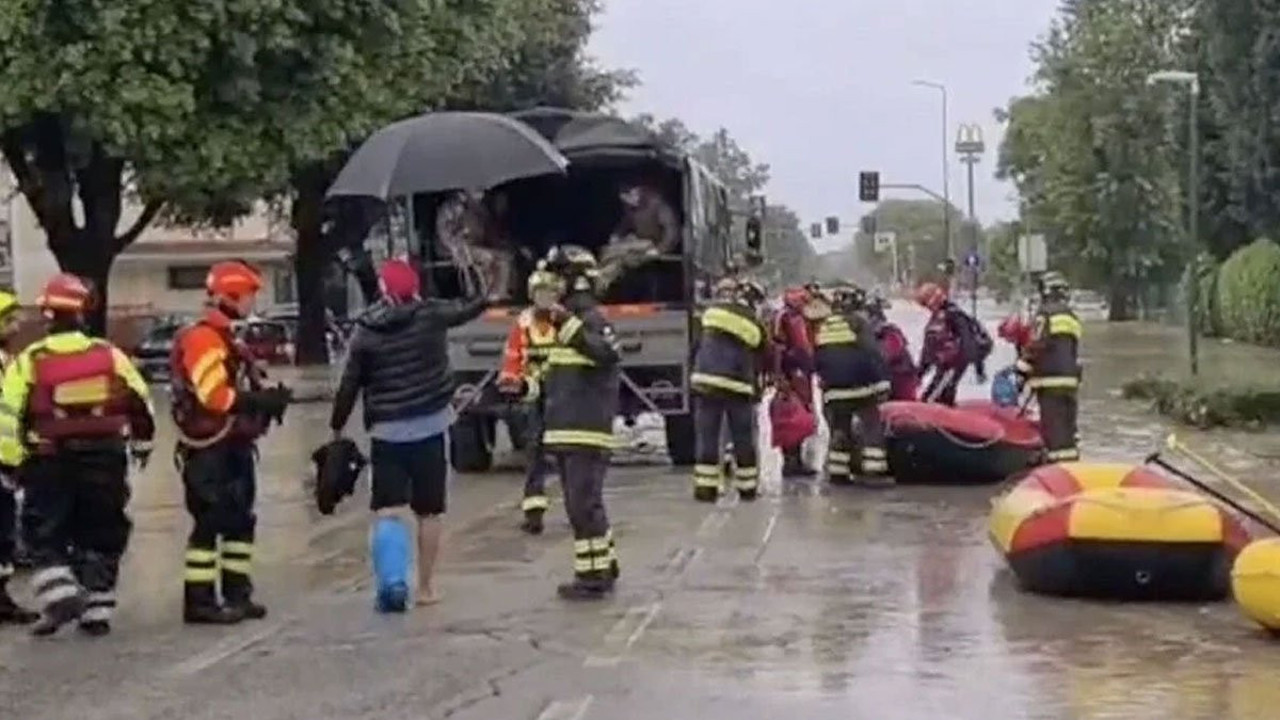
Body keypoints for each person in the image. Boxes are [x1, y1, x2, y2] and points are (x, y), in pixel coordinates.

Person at [0, 274, 154, 636]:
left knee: (44, 531)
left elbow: (8, 416)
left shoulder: (30, 361)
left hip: (50, 459)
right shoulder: (108, 355)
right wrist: (142, 445)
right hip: (106, 457)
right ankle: (97, 610)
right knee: (103, 530)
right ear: (83, 313)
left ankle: (60, 595)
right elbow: (140, 402)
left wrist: (13, 461)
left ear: (48, 315)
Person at [330, 258, 488, 609]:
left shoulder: (367, 329)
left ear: (383, 291)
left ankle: (393, 581)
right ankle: (427, 588)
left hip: (386, 433)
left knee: (387, 510)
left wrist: (337, 425)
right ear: (415, 287)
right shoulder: (431, 315)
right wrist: (479, 282)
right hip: (431, 428)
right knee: (429, 513)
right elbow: (471, 307)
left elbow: (350, 383)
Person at [171, 260, 291, 624]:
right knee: (210, 522)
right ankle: (200, 601)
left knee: (240, 521)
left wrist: (266, 399)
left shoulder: (227, 337)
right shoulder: (204, 338)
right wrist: (256, 402)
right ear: (231, 296)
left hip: (232, 443)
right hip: (209, 446)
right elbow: (213, 396)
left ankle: (238, 593)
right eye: (250, 296)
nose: (253, 303)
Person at [538, 245, 622, 600]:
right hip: (566, 430)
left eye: (558, 280)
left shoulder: (591, 321)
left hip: (585, 432)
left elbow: (606, 354)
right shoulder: (569, 323)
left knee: (582, 506)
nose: (550, 287)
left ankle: (592, 578)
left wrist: (567, 325)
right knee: (583, 504)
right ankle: (605, 564)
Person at [690, 277, 770, 503]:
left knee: (707, 437)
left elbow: (696, 344)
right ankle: (747, 489)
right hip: (737, 385)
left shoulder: (709, 313)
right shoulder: (751, 319)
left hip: (705, 382)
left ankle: (705, 489)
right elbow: (763, 346)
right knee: (743, 438)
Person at [498, 267, 564, 535]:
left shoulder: (564, 320)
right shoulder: (523, 323)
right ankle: (534, 512)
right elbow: (514, 356)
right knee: (534, 449)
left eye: (549, 293)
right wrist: (511, 380)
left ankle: (577, 508)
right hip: (535, 393)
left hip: (563, 393)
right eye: (539, 294)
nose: (544, 299)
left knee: (568, 454)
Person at [814, 284, 892, 487]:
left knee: (840, 429)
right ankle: (875, 473)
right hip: (860, 388)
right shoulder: (859, 323)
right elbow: (872, 353)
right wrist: (883, 382)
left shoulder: (825, 325)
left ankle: (838, 473)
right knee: (871, 425)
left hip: (833, 391)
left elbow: (818, 357)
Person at [1016, 271, 1082, 462]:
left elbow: (1037, 345)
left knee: (1053, 432)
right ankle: (1073, 470)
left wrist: (1020, 371)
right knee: (1068, 432)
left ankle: (1054, 472)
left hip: (1049, 382)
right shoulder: (1072, 317)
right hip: (1070, 383)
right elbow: (1071, 351)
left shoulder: (1045, 314)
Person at [0, 291, 37, 625]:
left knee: (5, 532)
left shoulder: (8, 362)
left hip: (6, 460)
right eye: (10, 320)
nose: (17, 326)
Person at [915, 282, 991, 406]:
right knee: (934, 396)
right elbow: (928, 350)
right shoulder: (936, 320)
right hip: (945, 365)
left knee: (934, 398)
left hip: (953, 364)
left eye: (925, 303)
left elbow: (969, 341)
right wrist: (919, 374)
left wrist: (979, 369)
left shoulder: (954, 315)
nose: (926, 307)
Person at [598, 183, 680, 290]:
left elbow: (672, 231)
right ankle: (602, 279)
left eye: (628, 199)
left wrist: (660, 250)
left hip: (652, 244)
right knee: (610, 252)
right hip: (636, 242)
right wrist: (617, 235)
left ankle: (602, 283)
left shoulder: (658, 204)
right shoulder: (631, 207)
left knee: (622, 255)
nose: (627, 204)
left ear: (636, 192)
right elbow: (625, 223)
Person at [772, 285, 817, 475]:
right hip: (791, 373)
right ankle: (789, 461)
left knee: (803, 415)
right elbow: (777, 348)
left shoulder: (802, 319)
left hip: (803, 373)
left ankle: (796, 459)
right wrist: (779, 376)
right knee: (789, 417)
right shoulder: (784, 318)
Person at [866, 292, 918, 401]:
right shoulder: (873, 335)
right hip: (887, 382)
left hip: (900, 380)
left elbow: (889, 354)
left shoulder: (889, 333)